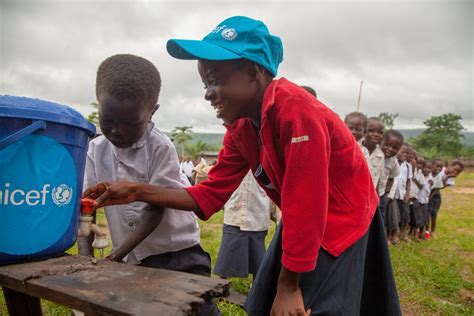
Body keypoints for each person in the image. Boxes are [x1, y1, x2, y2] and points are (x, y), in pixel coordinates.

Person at [84, 16, 400, 315]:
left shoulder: (297, 111)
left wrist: (289, 285)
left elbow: (308, 200)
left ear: (254, 72)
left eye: (215, 81)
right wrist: (135, 190)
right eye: (204, 84)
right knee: (264, 304)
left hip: (341, 221)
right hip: (301, 221)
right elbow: (208, 195)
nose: (208, 93)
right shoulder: (241, 129)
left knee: (310, 306)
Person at [83, 54, 218, 315]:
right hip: (132, 259)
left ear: (152, 111)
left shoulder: (160, 146)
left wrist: (114, 257)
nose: (116, 131)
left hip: (178, 256)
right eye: (108, 121)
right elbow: (87, 208)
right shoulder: (94, 149)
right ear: (98, 103)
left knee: (194, 310)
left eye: (131, 123)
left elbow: (156, 209)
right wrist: (86, 259)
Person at [214, 171, 273, 279]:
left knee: (258, 265)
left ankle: (257, 292)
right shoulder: (235, 158)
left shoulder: (266, 159)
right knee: (226, 261)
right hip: (234, 215)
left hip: (258, 216)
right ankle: (220, 288)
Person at [378, 130, 403, 244]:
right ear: (381, 142)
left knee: (379, 219)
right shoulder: (374, 154)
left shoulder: (393, 161)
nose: (390, 149)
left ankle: (378, 242)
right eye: (387, 145)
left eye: (395, 147)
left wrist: (386, 193)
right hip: (367, 193)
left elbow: (392, 178)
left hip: (381, 195)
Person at [428, 159, 464, 238]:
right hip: (427, 190)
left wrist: (447, 176)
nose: (455, 173)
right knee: (425, 212)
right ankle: (424, 229)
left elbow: (440, 187)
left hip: (435, 193)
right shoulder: (440, 168)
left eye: (458, 172)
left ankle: (433, 231)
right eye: (454, 169)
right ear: (450, 166)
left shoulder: (451, 180)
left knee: (433, 213)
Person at [394, 143, 413, 243]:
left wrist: (407, 193)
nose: (404, 154)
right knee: (395, 215)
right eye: (403, 152)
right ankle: (395, 234)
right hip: (393, 194)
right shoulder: (393, 162)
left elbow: (408, 180)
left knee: (405, 214)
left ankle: (403, 233)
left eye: (407, 153)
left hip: (403, 194)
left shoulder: (408, 166)